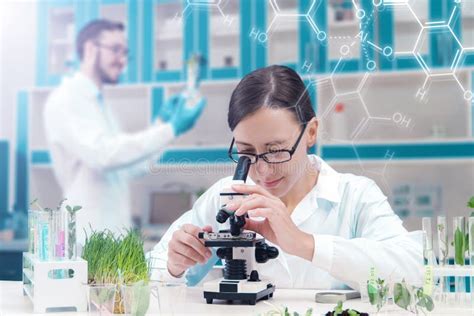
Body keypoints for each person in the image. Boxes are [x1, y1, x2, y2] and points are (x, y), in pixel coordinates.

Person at [149, 65, 423, 290]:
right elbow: (148, 272)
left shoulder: (355, 195)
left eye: (276, 151)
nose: (263, 171)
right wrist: (174, 265)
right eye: (246, 152)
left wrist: (304, 243)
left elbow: (413, 271)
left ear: (312, 132)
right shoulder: (230, 194)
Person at [43, 19, 206, 242]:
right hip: (85, 239)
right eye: (115, 50)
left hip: (114, 238)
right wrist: (170, 128)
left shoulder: (99, 105)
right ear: (90, 49)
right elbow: (104, 155)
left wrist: (163, 125)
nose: (122, 61)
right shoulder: (67, 98)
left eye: (125, 52)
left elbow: (130, 168)